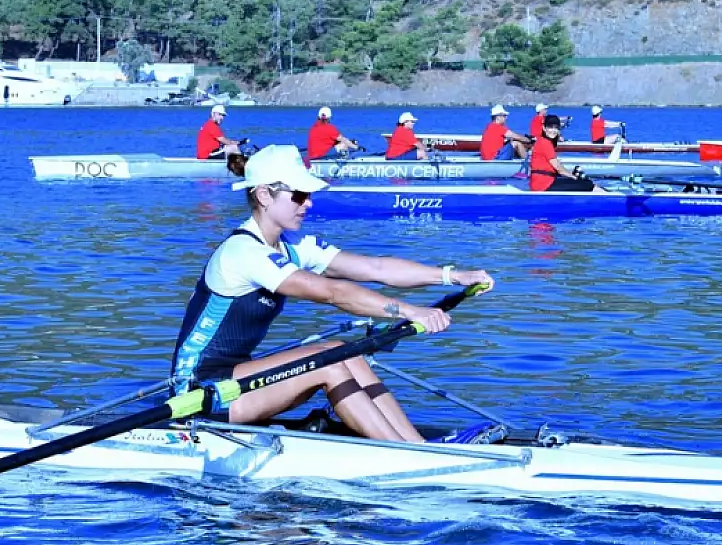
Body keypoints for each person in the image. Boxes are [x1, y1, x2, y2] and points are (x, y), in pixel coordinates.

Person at [171, 144, 495, 442]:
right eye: (299, 194)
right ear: (264, 196)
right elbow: (332, 293)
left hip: (237, 378)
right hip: (198, 391)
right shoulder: (242, 252)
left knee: (343, 351)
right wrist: (410, 311)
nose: (308, 202)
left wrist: (451, 275)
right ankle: (406, 454)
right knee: (323, 361)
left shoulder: (293, 247)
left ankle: (417, 445)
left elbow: (375, 269)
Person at [528, 115, 588, 191]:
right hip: (544, 185)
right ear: (544, 128)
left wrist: (570, 174)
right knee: (587, 184)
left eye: (556, 127)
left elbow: (558, 166)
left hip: (542, 183)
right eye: (550, 127)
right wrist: (574, 177)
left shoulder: (543, 141)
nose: (553, 130)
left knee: (582, 183)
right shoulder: (545, 143)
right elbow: (560, 170)